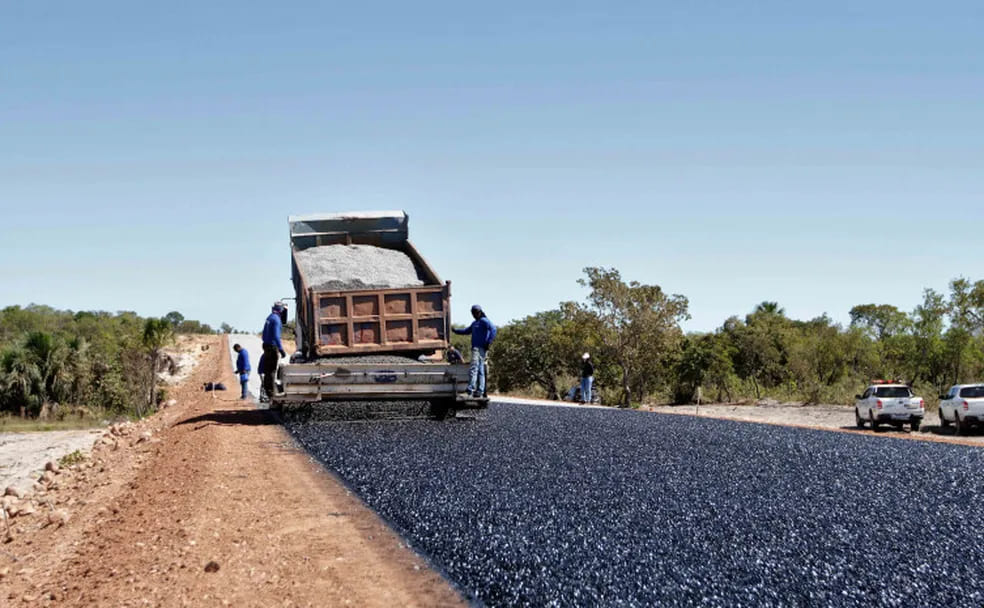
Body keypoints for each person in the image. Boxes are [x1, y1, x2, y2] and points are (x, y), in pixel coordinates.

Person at [452, 304, 496, 398]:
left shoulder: (484, 321)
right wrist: (456, 331)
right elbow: (466, 331)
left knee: (474, 368)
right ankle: (480, 390)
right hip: (476, 348)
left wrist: (488, 342)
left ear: (479, 312)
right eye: (472, 313)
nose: (474, 314)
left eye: (475, 313)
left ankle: (470, 390)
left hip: (479, 348)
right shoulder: (475, 323)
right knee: (480, 369)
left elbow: (493, 329)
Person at [262, 301, 288, 400]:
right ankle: (272, 393)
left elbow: (264, 334)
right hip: (272, 347)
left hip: (266, 345)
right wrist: (281, 349)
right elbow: (277, 336)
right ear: (281, 309)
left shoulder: (269, 317)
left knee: (267, 371)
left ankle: (267, 391)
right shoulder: (277, 320)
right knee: (272, 370)